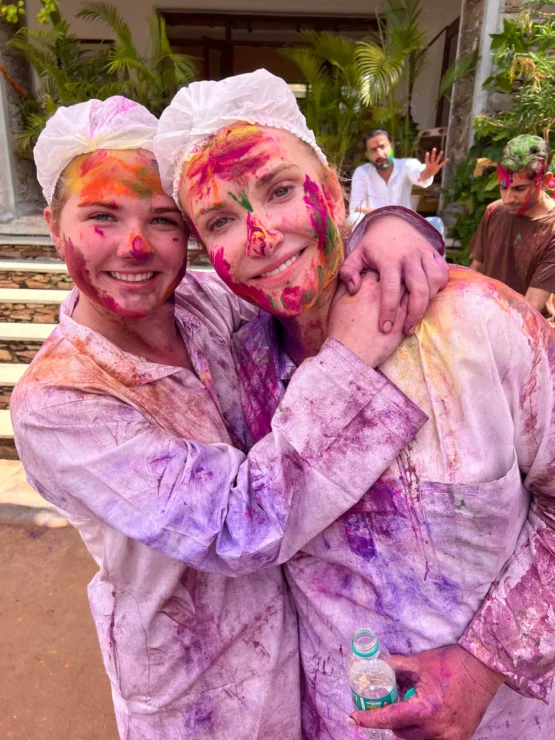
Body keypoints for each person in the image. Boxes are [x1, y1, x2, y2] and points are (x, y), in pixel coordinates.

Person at [10, 96, 449, 739]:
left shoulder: (205, 302)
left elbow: (292, 259)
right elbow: (237, 525)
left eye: (162, 220)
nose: (135, 247)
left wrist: (390, 223)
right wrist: (352, 359)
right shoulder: (58, 401)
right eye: (102, 215)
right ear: (54, 226)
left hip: (310, 656)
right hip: (195, 692)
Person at [156, 69, 555, 739]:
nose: (260, 238)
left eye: (281, 190)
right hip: (333, 720)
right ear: (204, 253)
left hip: (506, 717)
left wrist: (484, 664)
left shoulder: (478, 324)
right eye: (221, 219)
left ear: (334, 190)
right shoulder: (237, 371)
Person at [469, 134, 555, 317]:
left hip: (530, 333)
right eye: (503, 187)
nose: (508, 199)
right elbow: (475, 273)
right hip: (484, 321)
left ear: (545, 181)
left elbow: (530, 307)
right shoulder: (494, 211)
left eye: (519, 189)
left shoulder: (552, 229)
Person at [349, 128, 447, 232]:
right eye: (373, 150)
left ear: (391, 147)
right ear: (367, 155)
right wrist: (387, 216)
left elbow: (418, 174)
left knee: (436, 223)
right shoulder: (362, 172)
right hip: (374, 228)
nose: (379, 154)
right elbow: (356, 209)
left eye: (382, 147)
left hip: (405, 226)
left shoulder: (406, 165)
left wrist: (426, 173)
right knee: (355, 218)